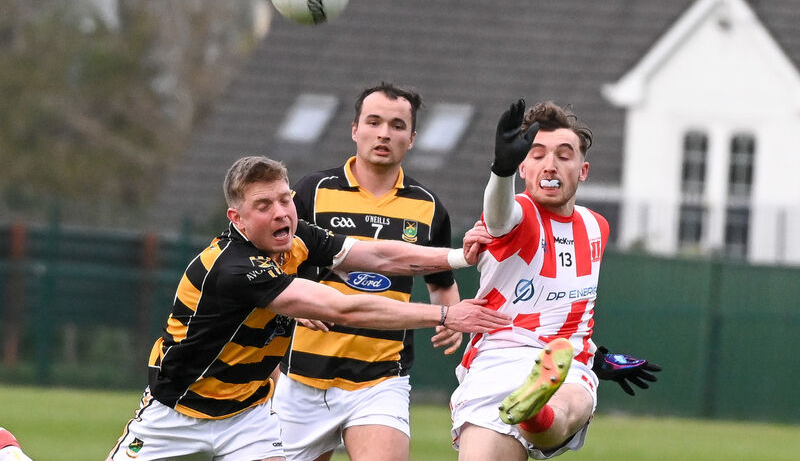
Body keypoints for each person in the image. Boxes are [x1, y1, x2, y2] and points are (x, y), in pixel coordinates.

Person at [106, 156, 510, 461]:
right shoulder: (231, 266)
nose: (282, 212)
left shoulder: (294, 237)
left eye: (285, 199)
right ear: (238, 219)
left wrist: (457, 257)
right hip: (177, 411)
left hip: (247, 415)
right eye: (264, 205)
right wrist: (443, 314)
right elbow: (343, 309)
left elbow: (377, 256)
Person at [274, 83, 463, 461]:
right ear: (354, 129)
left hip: (380, 379)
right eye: (373, 122)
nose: (384, 133)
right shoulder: (312, 191)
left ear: (411, 139)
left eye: (396, 125)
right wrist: (290, 304)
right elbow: (272, 267)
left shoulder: (428, 207)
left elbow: (441, 280)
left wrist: (450, 317)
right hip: (301, 378)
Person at [451, 99, 608, 460]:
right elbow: (499, 215)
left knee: (570, 406)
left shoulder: (595, 226)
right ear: (523, 166)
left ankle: (535, 410)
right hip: (501, 360)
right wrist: (500, 171)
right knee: (566, 411)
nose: (550, 164)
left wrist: (603, 358)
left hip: (564, 362)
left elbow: (569, 307)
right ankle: (533, 408)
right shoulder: (519, 215)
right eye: (537, 154)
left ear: (582, 170)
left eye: (563, 155)